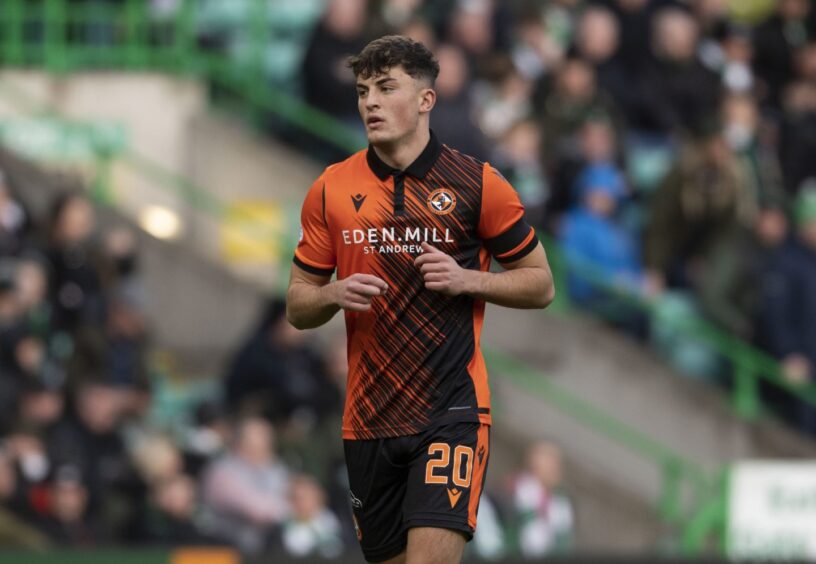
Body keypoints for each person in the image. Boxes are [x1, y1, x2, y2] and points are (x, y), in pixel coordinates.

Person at [286, 35, 554, 564]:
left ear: (427, 100)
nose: (371, 103)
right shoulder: (330, 189)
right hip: (368, 418)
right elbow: (297, 304)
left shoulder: (478, 184)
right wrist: (333, 293)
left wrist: (468, 280)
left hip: (450, 410)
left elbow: (541, 284)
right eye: (364, 91)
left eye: (387, 88)